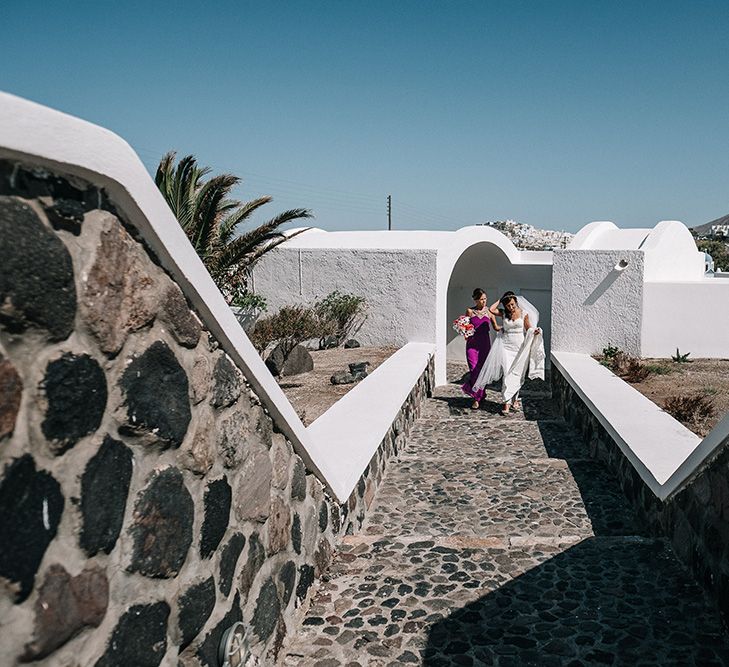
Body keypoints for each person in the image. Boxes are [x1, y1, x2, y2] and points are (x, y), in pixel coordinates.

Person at [473, 292, 543, 415]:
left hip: (519, 348)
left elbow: (528, 329)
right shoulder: (504, 313)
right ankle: (506, 402)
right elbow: (491, 309)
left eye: (512, 304)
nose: (511, 307)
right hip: (506, 347)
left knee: (517, 374)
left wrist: (535, 332)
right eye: (508, 305)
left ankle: (515, 399)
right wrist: (500, 299)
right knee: (506, 374)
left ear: (516, 302)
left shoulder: (524, 313)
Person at [461, 288, 500, 409]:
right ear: (475, 299)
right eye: (481, 299)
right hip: (472, 345)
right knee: (474, 370)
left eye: (485, 299)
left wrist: (509, 328)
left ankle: (478, 396)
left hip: (484, 345)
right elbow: (465, 327)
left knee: (483, 371)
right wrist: (463, 331)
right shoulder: (470, 311)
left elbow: (496, 327)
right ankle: (477, 397)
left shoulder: (489, 312)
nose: (484, 301)